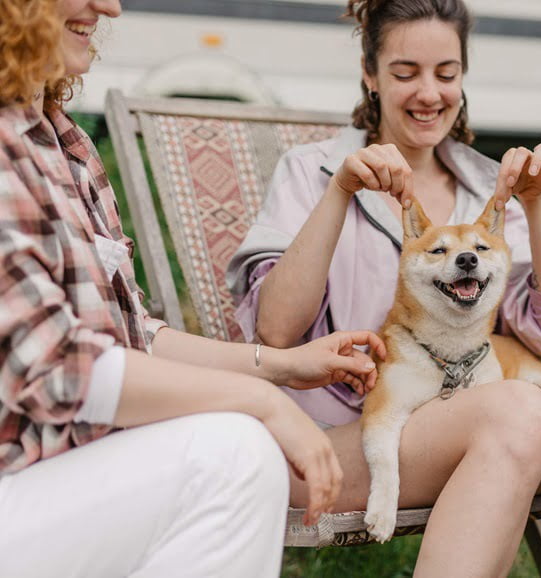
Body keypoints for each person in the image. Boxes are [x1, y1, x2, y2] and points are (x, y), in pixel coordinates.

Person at [228, 0, 541, 576]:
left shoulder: (489, 187)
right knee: (520, 410)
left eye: (446, 73)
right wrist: (341, 190)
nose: (429, 94)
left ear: (463, 75)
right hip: (336, 439)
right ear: (370, 73)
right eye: (406, 72)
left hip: (468, 420)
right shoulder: (311, 170)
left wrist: (535, 205)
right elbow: (277, 330)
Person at [0, 1, 388, 577]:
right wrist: (261, 404)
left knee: (238, 448)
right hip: (18, 479)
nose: (110, 6)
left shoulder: (64, 142)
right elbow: (58, 367)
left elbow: (133, 335)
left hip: (60, 475)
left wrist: (278, 366)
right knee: (234, 454)